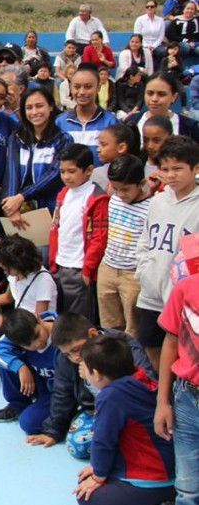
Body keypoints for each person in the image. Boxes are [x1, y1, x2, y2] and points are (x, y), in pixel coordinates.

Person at [38, 313, 157, 462]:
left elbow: (145, 387)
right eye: (67, 354)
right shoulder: (67, 358)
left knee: (125, 439)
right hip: (94, 409)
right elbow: (62, 393)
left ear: (93, 334)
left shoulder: (123, 346)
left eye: (76, 349)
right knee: (77, 444)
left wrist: (99, 381)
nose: (75, 358)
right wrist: (53, 431)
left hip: (127, 410)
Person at [73, 335, 175, 505]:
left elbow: (103, 440)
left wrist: (98, 475)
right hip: (173, 470)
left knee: (85, 495)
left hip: (153, 480)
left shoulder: (111, 396)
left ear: (96, 374)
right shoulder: (142, 377)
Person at [135, 136, 199, 369]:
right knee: (150, 344)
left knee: (182, 350)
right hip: (151, 292)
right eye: (166, 169)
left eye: (178, 169)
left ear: (195, 168)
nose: (171, 175)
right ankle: (161, 386)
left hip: (183, 297)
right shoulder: (158, 200)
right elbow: (144, 240)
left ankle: (176, 388)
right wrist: (144, 272)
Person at [48, 144, 109, 319]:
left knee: (78, 319)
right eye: (62, 172)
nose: (66, 176)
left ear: (88, 170)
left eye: (72, 171)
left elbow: (99, 239)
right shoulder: (63, 193)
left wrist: (87, 271)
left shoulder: (97, 198)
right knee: (58, 315)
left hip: (79, 268)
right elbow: (56, 227)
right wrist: (52, 261)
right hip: (59, 264)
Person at [155, 273, 199, 505]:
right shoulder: (185, 288)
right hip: (187, 400)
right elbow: (171, 343)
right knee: (187, 490)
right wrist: (162, 402)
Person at [97, 155, 151, 336]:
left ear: (141, 183)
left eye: (126, 189)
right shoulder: (114, 199)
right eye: (116, 188)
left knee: (133, 327)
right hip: (108, 267)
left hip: (132, 274)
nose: (120, 194)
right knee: (109, 324)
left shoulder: (151, 207)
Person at [3, 87, 73, 223]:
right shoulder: (16, 138)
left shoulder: (63, 139)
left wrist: (22, 196)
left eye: (39, 106)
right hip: (19, 212)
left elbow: (54, 174)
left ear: (51, 106)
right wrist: (11, 206)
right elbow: (11, 172)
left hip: (51, 209)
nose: (34, 112)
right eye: (29, 108)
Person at [0, 309, 58, 432]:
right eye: (28, 344)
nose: (37, 344)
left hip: (63, 393)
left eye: (37, 335)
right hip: (44, 389)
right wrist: (21, 367)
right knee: (8, 360)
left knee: (29, 423)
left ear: (38, 319)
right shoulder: (20, 335)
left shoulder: (64, 331)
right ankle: (18, 405)